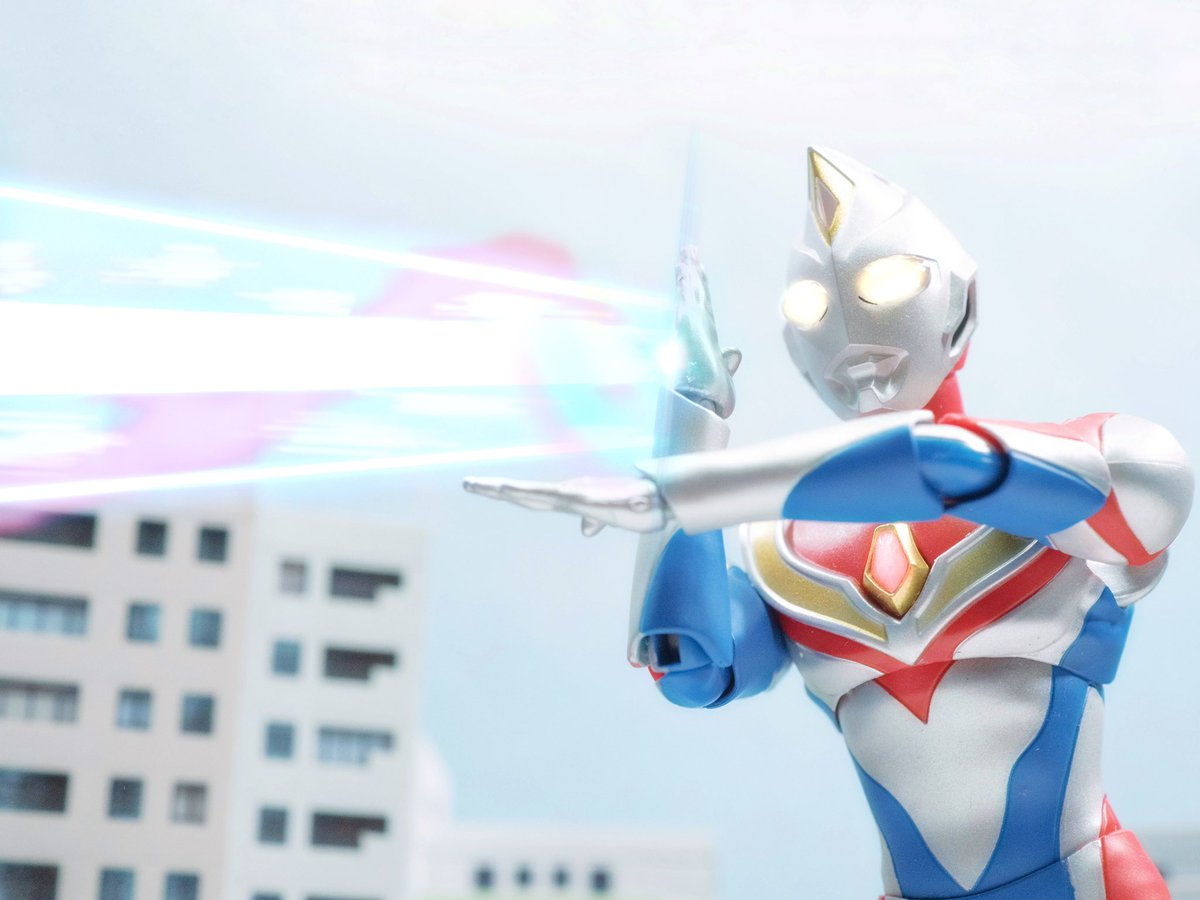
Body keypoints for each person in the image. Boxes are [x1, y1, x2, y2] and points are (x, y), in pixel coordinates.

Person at [465, 147, 1192, 899]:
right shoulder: (782, 548)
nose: (850, 328)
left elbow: (941, 465)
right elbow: (690, 668)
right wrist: (689, 421)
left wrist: (697, 488)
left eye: (887, 284)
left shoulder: (1086, 468)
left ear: (960, 301)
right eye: (812, 307)